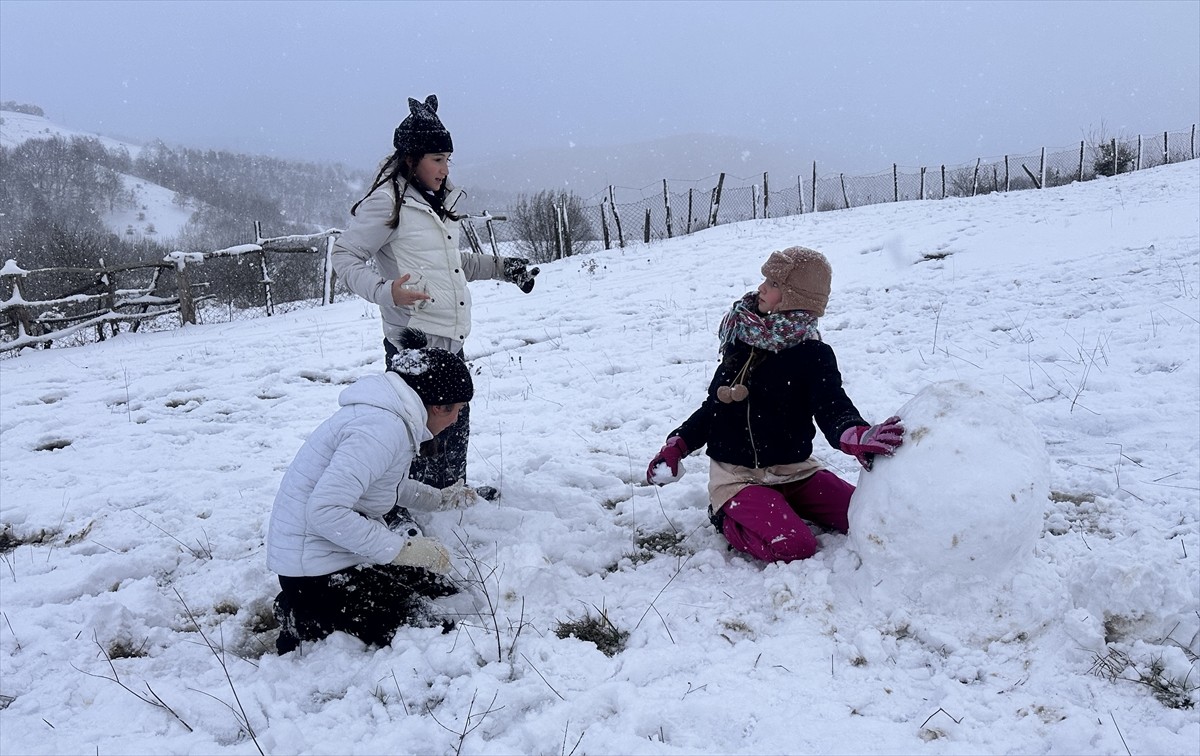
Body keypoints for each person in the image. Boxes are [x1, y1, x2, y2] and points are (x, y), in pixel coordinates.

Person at [331, 94, 538, 495]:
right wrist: (384, 290)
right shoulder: (388, 203)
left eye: (447, 159)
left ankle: (451, 492)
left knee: (454, 420)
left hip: (450, 336)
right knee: (418, 429)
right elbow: (346, 254)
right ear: (412, 160)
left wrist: (503, 268)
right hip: (415, 338)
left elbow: (450, 263)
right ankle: (405, 503)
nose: (445, 169)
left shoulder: (436, 204)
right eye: (437, 159)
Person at [645, 246, 904, 563]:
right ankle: (725, 518)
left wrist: (855, 433)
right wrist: (677, 445)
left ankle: (781, 504)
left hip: (796, 471)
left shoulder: (813, 354)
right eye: (765, 279)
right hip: (738, 478)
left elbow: (832, 404)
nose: (762, 288)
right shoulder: (740, 342)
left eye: (775, 284)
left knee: (866, 515)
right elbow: (714, 409)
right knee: (796, 546)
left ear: (797, 298)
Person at [266, 332, 476, 653]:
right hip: (313, 569)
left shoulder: (394, 419)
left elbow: (387, 484)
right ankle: (303, 613)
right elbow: (325, 511)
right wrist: (403, 549)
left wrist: (440, 498)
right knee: (425, 631)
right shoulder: (381, 428)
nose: (457, 419)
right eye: (455, 410)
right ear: (434, 405)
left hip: (341, 551)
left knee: (439, 589)